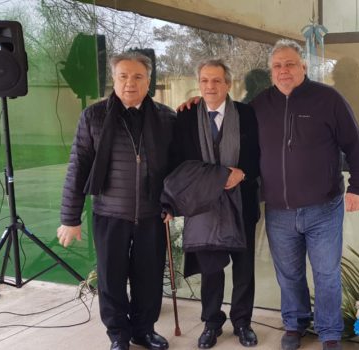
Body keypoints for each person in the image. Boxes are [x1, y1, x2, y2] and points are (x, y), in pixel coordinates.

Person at [251, 39, 359, 350]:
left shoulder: (328, 99)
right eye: (277, 66)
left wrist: (358, 187)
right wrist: (196, 103)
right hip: (278, 210)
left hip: (324, 208)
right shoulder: (259, 105)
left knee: (326, 274)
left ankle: (330, 332)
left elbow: (356, 147)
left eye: (290, 64)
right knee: (288, 275)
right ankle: (295, 324)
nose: (283, 70)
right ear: (271, 72)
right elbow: (228, 127)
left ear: (303, 67)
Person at [57, 52, 175, 350]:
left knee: (148, 279)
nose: (130, 83)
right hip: (110, 213)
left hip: (152, 214)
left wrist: (174, 204)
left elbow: (178, 168)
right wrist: (70, 219)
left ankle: (143, 331)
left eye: (137, 77)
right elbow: (77, 167)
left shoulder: (166, 117)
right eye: (123, 76)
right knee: (111, 280)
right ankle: (119, 335)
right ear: (114, 79)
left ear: (149, 81)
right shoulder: (94, 116)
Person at [168, 59, 261, 348]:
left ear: (228, 84)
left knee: (244, 268)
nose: (210, 86)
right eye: (205, 81)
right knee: (211, 269)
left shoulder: (247, 114)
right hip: (204, 206)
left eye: (217, 81)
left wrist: (243, 173)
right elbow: (177, 162)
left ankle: (243, 322)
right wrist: (170, 204)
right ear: (199, 84)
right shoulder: (185, 116)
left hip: (242, 202)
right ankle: (211, 322)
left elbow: (258, 155)